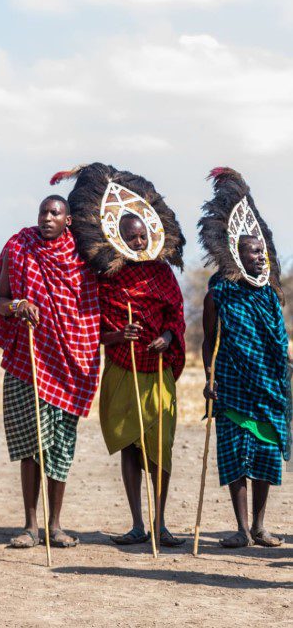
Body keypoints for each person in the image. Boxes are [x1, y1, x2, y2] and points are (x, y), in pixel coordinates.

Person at [56, 163, 186, 548]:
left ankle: (161, 523)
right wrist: (118, 334)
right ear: (118, 236)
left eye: (143, 235)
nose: (139, 241)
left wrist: (165, 336)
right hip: (121, 367)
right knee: (129, 443)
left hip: (157, 368)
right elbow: (91, 328)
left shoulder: (163, 273)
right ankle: (137, 524)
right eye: (131, 236)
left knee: (160, 445)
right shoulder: (105, 277)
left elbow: (176, 317)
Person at [0, 195, 100, 549]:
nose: (47, 218)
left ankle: (55, 525)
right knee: (30, 446)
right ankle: (30, 525)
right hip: (29, 363)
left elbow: (89, 312)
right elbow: (0, 301)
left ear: (67, 219)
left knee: (60, 449)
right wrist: (19, 305)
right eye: (43, 212)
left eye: (55, 213)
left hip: (70, 366)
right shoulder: (19, 247)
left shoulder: (83, 258)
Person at [199, 168, 291, 549]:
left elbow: (277, 342)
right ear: (238, 253)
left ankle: (259, 525)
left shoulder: (270, 294)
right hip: (232, 385)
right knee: (236, 453)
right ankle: (239, 528)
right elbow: (208, 340)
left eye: (262, 251)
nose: (259, 256)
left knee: (267, 454)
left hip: (269, 387)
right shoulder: (219, 292)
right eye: (253, 251)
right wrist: (209, 377)